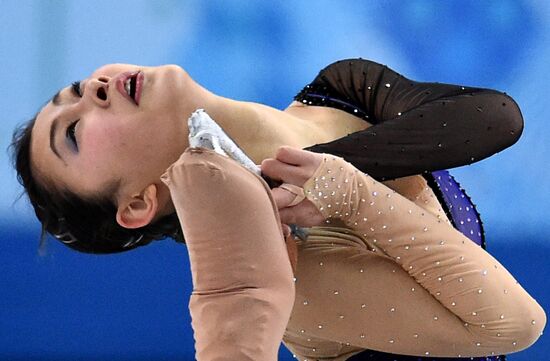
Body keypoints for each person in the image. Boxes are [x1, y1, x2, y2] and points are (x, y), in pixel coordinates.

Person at [11, 58, 546, 360]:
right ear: (137, 203)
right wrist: (348, 193)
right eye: (75, 132)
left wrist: (305, 173)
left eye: (77, 88)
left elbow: (493, 119)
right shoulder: (281, 263)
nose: (94, 89)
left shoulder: (339, 91)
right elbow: (514, 324)